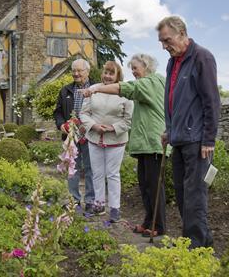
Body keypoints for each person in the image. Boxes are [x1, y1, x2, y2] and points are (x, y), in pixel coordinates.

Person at [81, 54, 167, 237]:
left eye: (135, 68)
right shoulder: (149, 82)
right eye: (132, 69)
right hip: (145, 143)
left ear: (146, 66)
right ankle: (148, 221)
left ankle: (158, 226)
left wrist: (96, 89)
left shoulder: (150, 82)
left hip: (153, 141)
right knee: (145, 185)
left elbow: (125, 89)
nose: (134, 72)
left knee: (154, 186)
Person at [157, 16, 220, 248]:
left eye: (167, 40)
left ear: (182, 34)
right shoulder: (172, 62)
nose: (164, 46)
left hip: (197, 140)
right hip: (179, 138)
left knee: (195, 194)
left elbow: (211, 102)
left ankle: (195, 245)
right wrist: (169, 130)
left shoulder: (202, 57)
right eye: (162, 42)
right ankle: (199, 239)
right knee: (183, 193)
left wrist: (209, 139)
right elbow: (174, 101)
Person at [80, 61, 133, 222]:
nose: (107, 76)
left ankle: (115, 208)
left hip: (115, 139)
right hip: (94, 137)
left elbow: (128, 121)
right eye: (105, 73)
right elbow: (84, 113)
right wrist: (94, 126)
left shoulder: (124, 92)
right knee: (97, 173)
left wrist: (111, 128)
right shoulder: (94, 89)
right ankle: (99, 204)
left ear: (118, 76)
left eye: (111, 74)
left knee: (112, 174)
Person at [54, 58, 95, 214]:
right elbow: (57, 112)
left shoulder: (96, 88)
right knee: (73, 167)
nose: (76, 74)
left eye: (80, 70)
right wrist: (61, 125)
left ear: (88, 71)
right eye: (74, 71)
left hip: (91, 135)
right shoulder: (65, 90)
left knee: (92, 169)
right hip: (71, 137)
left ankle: (91, 201)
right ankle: (74, 201)